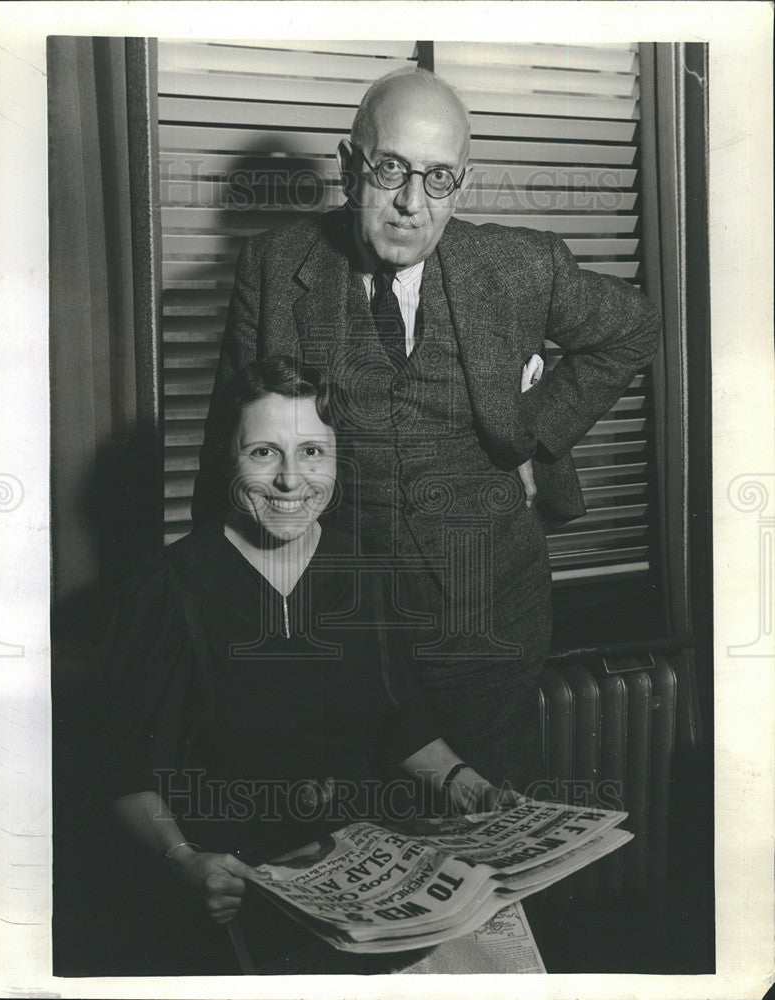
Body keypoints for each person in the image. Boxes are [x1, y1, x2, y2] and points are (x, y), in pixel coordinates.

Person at [192, 67, 661, 794]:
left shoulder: (519, 266)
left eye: (438, 178)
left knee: (492, 834)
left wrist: (537, 432)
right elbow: (232, 446)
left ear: (462, 184)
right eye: (391, 170)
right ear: (351, 169)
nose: (413, 203)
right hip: (339, 635)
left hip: (487, 626)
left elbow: (634, 329)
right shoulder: (275, 265)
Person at [99, 356, 510, 974]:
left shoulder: (368, 571)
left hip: (364, 863)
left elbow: (403, 723)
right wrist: (184, 862)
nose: (293, 481)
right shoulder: (167, 585)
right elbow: (123, 773)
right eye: (264, 453)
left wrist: (465, 785)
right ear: (225, 457)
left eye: (313, 452)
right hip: (233, 878)